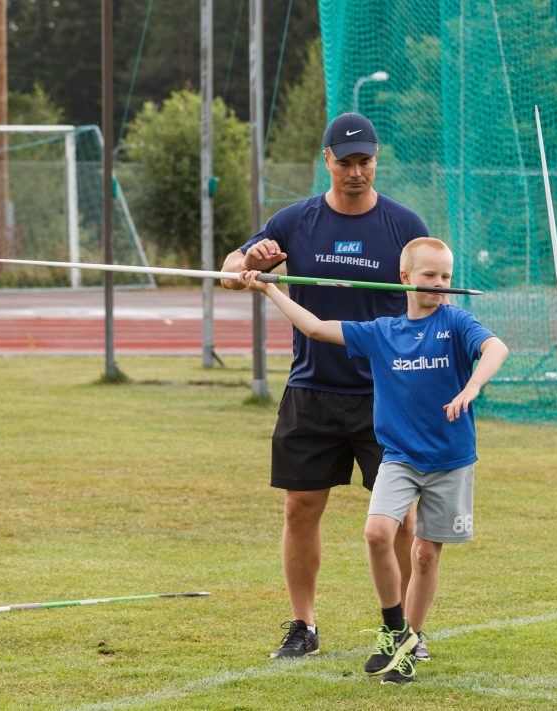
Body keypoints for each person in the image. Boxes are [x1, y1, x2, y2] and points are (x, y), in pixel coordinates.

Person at [240, 237, 509, 684]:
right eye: (430, 276)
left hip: (450, 460)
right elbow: (316, 328)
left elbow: (496, 349)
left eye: (446, 277)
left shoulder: (457, 321)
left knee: (425, 555)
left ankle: (411, 641)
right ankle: (394, 628)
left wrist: (472, 387)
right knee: (377, 532)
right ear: (405, 279)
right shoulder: (382, 331)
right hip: (399, 458)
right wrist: (271, 289)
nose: (440, 284)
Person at [220, 112, 428, 659]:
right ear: (327, 159)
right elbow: (228, 270)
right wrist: (250, 262)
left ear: (375, 162)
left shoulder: (404, 224)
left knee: (400, 517)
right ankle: (303, 627)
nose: (356, 172)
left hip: (386, 395)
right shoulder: (295, 221)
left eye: (366, 161)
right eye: (346, 161)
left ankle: (406, 628)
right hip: (311, 389)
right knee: (300, 508)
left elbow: (432, 294)